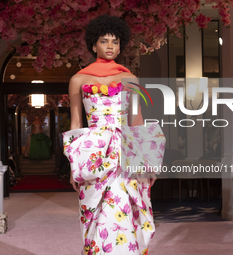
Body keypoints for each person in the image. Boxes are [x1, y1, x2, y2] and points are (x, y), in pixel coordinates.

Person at [62, 15, 166, 255]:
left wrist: (146, 164)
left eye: (115, 42)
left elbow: (137, 122)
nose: (110, 46)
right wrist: (73, 168)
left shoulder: (130, 78)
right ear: (93, 45)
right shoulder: (78, 79)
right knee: (93, 210)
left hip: (124, 151)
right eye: (104, 41)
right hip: (94, 154)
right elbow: (77, 124)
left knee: (123, 210)